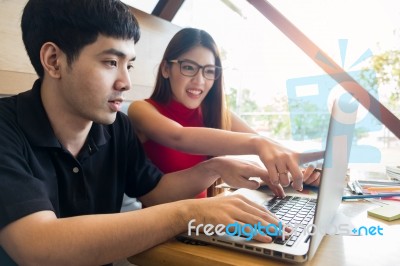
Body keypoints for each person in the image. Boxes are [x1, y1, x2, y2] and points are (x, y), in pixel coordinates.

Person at [0, 1, 286, 265]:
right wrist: (190, 213)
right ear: (53, 60)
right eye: (111, 62)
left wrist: (215, 167)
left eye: (129, 64)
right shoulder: (5, 127)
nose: (125, 82)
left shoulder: (116, 128)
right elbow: (36, 246)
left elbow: (155, 192)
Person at [128, 27, 322, 198]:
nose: (200, 80)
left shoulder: (213, 112)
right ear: (165, 69)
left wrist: (301, 170)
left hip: (206, 220)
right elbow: (179, 136)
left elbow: (265, 145)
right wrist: (258, 144)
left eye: (209, 71)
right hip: (162, 228)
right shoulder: (141, 109)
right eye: (188, 67)